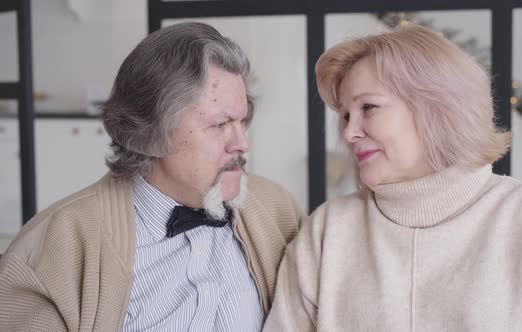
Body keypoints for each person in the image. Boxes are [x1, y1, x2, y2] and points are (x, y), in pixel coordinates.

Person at [264, 24, 522, 331]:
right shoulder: (327, 231)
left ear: (436, 109)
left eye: (369, 108)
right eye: (346, 115)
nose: (349, 132)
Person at [0, 22, 305, 331]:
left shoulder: (278, 210)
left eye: (243, 121)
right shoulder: (56, 248)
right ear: (151, 134)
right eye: (219, 125)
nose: (242, 143)